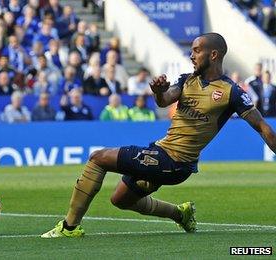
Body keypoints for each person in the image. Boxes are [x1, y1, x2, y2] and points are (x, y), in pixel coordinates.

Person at [41, 33, 276, 238]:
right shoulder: (187, 80)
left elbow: (263, 127)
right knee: (120, 200)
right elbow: (165, 100)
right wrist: (158, 91)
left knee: (98, 157)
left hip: (174, 161)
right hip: (164, 155)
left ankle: (69, 227)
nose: (191, 55)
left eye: (196, 50)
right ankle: (180, 213)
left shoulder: (231, 92)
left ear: (213, 55)